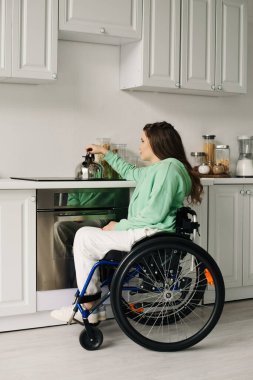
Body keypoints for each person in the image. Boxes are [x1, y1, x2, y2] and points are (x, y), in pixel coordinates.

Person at [51, 121, 203, 324]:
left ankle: (89, 306)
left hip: (150, 234)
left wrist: (119, 225)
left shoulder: (168, 169)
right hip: (147, 232)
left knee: (84, 237)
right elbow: (129, 171)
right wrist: (105, 152)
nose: (139, 145)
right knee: (86, 237)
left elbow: (154, 215)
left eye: (142, 141)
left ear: (156, 143)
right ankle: (90, 305)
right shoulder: (159, 169)